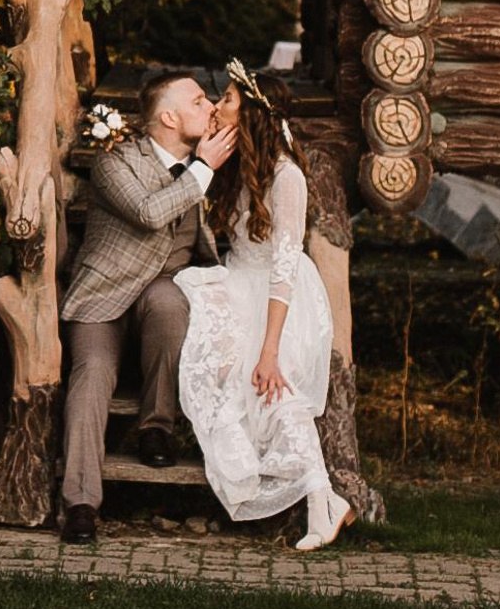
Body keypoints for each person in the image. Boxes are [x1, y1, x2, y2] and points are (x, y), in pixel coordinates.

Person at [174, 61, 353, 551]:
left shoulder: (286, 177)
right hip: (238, 286)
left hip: (281, 302)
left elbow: (285, 267)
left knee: (274, 387)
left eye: (227, 99)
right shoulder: (233, 168)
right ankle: (323, 501)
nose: (216, 105)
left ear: (252, 114)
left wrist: (270, 348)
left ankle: (323, 501)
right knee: (234, 384)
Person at [57, 70, 236, 544]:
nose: (211, 105)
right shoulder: (115, 164)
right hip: (104, 295)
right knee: (92, 372)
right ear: (169, 117)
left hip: (161, 287)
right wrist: (203, 170)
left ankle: (156, 426)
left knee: (169, 302)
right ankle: (79, 502)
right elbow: (149, 212)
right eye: (199, 100)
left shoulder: (210, 156)